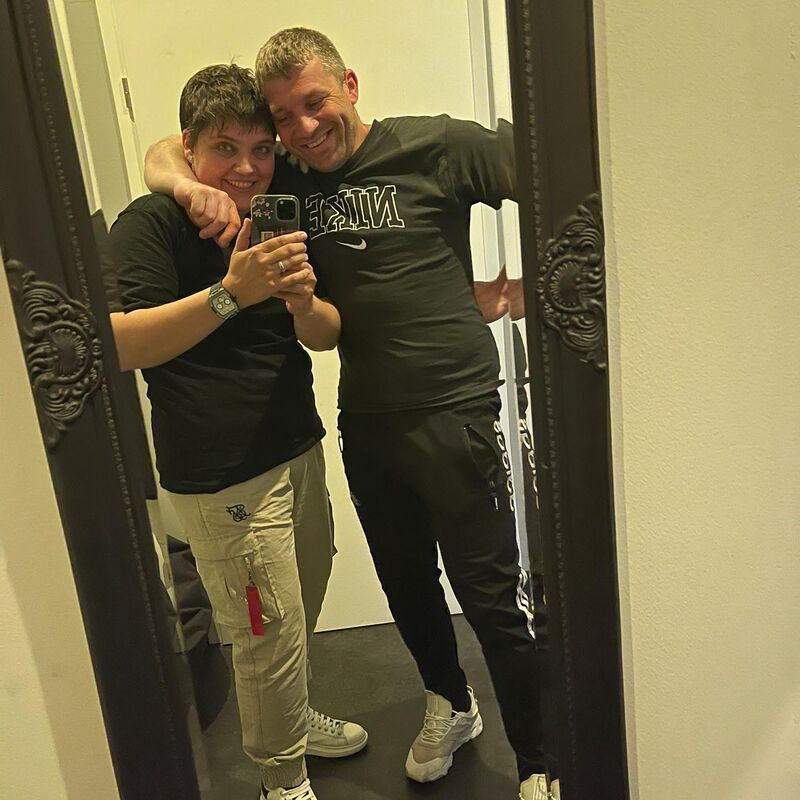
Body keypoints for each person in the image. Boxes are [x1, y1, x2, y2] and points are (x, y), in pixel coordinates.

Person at [145, 30, 559, 800]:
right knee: (407, 584)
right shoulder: (290, 178)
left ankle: (541, 759)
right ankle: (452, 702)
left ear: (351, 86)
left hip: (457, 409)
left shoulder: (436, 146)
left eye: (315, 102)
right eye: (284, 117)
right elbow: (172, 147)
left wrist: (537, 280)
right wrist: (184, 185)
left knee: (490, 595)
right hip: (366, 418)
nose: (303, 128)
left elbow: (556, 161)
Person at [109, 63, 367, 800]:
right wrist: (231, 293)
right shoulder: (152, 223)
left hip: (294, 445)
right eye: (225, 149)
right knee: (264, 634)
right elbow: (121, 343)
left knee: (297, 606)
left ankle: (294, 719)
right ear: (191, 148)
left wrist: (298, 302)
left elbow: (321, 336)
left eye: (261, 149)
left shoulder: (280, 206)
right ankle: (281, 780)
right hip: (222, 474)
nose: (247, 168)